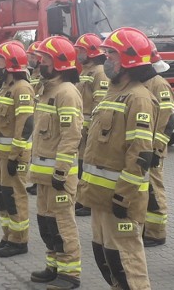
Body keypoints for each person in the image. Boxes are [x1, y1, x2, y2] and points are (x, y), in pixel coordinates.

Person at [78, 27, 158, 289]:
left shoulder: (139, 97)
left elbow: (141, 152)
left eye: (111, 54)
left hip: (120, 198)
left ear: (128, 60)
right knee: (107, 257)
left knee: (126, 263)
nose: (106, 59)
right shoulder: (114, 92)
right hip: (101, 197)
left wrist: (124, 196)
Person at [29, 36, 83, 289]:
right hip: (43, 175)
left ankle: (70, 273)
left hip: (58, 175)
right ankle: (54, 265)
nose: (41, 64)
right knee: (46, 222)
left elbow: (71, 135)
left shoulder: (67, 93)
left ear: (60, 62)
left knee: (62, 224)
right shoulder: (47, 90)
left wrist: (61, 171)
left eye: (46, 59)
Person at [0, 41, 35, 258]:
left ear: (12, 64)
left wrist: (16, 155)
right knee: (1, 194)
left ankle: (19, 240)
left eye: (0, 60)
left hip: (14, 155)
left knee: (14, 196)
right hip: (0, 154)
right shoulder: (5, 87)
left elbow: (25, 125)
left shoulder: (22, 88)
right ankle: (8, 235)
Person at [141, 45, 174, 247]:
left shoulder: (159, 85)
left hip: (153, 149)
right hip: (143, 147)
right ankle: (146, 227)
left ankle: (156, 233)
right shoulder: (143, 82)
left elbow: (167, 121)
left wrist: (156, 149)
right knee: (143, 189)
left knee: (154, 189)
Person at [73, 33, 108, 217]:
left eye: (82, 51)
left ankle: (88, 200)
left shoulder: (99, 72)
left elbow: (99, 102)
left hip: (90, 128)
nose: (78, 54)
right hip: (82, 128)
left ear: (93, 52)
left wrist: (92, 126)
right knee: (81, 165)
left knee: (88, 165)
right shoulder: (86, 70)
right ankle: (82, 197)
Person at [24, 40, 43, 196]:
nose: (29, 59)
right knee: (34, 150)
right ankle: (35, 181)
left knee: (38, 150)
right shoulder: (34, 73)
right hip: (34, 114)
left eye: (32, 56)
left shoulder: (43, 75)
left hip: (39, 116)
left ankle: (38, 182)